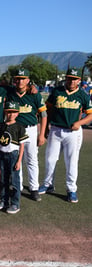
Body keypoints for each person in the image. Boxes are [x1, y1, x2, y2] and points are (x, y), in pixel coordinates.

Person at [39, 67, 92, 203]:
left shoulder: (83, 94)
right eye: (69, 78)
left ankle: (71, 189)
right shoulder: (57, 91)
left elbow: (90, 114)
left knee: (71, 161)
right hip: (55, 129)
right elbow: (48, 109)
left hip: (72, 132)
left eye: (74, 79)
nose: (71, 81)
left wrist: (80, 122)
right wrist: (46, 129)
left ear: (79, 80)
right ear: (66, 78)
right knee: (50, 159)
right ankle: (48, 184)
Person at [6, 68, 47, 201]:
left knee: (31, 159)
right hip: (14, 130)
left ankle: (34, 188)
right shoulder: (10, 92)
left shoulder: (34, 94)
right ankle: (18, 186)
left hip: (31, 129)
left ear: (28, 80)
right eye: (17, 78)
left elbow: (43, 115)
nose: (20, 81)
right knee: (16, 159)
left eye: (23, 79)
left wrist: (42, 134)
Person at [0, 102, 29, 214]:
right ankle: (4, 201)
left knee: (14, 181)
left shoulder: (19, 127)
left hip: (13, 156)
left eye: (13, 112)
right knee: (3, 179)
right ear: (5, 112)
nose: (10, 114)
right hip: (2, 155)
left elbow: (22, 145)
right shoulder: (0, 126)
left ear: (17, 113)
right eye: (8, 112)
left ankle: (15, 203)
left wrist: (19, 161)